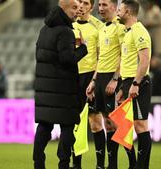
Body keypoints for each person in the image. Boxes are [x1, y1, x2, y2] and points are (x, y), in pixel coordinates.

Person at [33, 0, 88, 168]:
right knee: (67, 129)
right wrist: (83, 48)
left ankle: (38, 163)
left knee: (43, 127)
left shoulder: (44, 30)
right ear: (63, 9)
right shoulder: (65, 32)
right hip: (63, 89)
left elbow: (41, 56)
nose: (76, 12)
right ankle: (63, 164)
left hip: (45, 89)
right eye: (73, 8)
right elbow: (67, 60)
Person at [86, 0, 136, 168]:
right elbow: (101, 58)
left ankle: (133, 162)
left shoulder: (119, 27)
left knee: (119, 124)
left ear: (115, 7)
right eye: (99, 5)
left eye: (104, 5)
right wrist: (94, 81)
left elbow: (125, 54)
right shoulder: (102, 29)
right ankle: (111, 165)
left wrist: (115, 79)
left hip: (112, 79)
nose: (100, 8)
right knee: (107, 123)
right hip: (100, 78)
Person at [116, 0, 152, 168]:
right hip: (127, 82)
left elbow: (144, 60)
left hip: (138, 82)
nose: (117, 12)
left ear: (128, 12)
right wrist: (123, 85)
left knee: (140, 125)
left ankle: (141, 166)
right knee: (125, 126)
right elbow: (128, 61)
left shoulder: (139, 31)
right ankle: (134, 164)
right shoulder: (127, 31)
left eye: (120, 9)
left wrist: (136, 83)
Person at [70, 0, 104, 169]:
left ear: (91, 6)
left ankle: (99, 165)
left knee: (95, 122)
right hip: (73, 78)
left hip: (91, 78)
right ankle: (76, 164)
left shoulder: (98, 27)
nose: (81, 6)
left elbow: (101, 57)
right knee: (74, 123)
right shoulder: (70, 25)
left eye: (85, 3)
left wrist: (94, 80)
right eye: (79, 2)